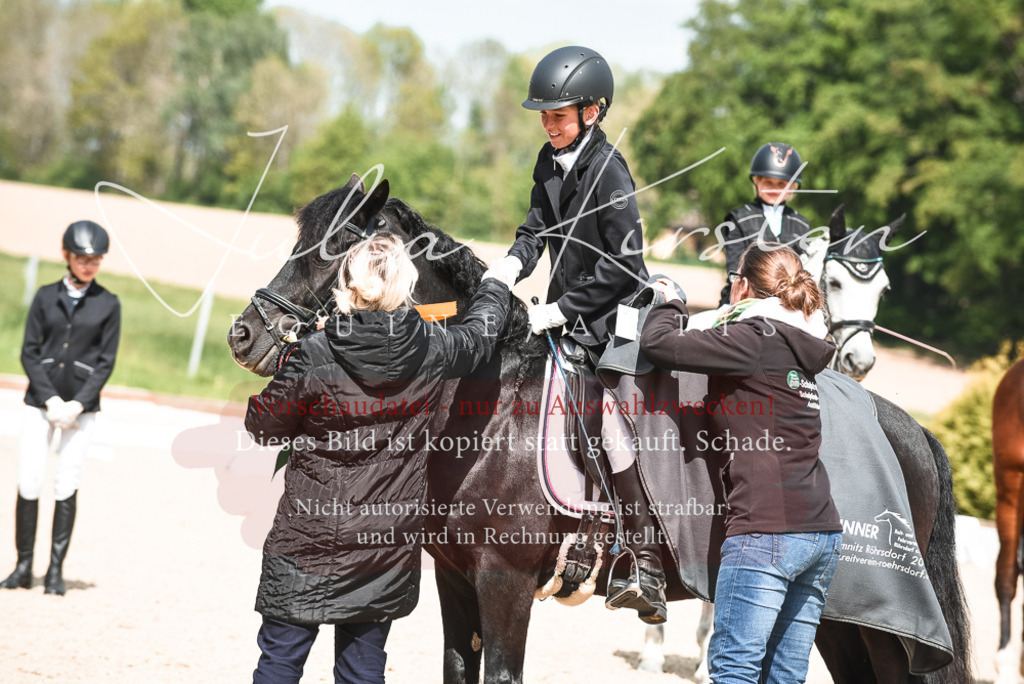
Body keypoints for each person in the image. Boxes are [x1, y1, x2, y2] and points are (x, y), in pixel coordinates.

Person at [245, 232, 511, 684]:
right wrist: (497, 284)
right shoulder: (432, 347)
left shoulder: (314, 353)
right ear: (405, 287)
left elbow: (263, 427)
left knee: (278, 667)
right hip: (383, 547)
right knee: (362, 673)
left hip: (305, 538)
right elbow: (481, 334)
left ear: (346, 284)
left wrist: (291, 358)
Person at [486, 46, 666, 623]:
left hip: (611, 320)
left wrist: (560, 309)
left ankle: (640, 556)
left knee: (600, 417)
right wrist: (511, 265)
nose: (549, 124)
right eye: (543, 115)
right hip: (564, 313)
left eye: (558, 115)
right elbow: (535, 227)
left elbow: (625, 266)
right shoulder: (550, 158)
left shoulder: (609, 170)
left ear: (593, 112)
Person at [640, 243, 843, 683]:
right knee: (785, 675)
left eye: (734, 279)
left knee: (734, 668)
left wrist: (669, 298)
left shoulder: (753, 337)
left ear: (743, 286)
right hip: (821, 533)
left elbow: (659, 344)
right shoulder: (799, 342)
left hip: (766, 532)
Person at [1, 220, 121, 596]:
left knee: (66, 481)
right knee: (30, 479)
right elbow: (29, 351)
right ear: (67, 256)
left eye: (96, 259)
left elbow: (106, 360)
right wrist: (50, 398)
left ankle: (55, 571)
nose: (89, 265)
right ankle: (22, 567)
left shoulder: (109, 303)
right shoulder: (44, 296)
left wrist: (78, 404)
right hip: (41, 401)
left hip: (81, 407)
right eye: (83, 258)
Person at [718, 142, 813, 306]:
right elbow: (734, 268)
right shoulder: (738, 218)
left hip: (789, 303)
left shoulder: (801, 223)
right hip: (744, 298)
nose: (774, 189)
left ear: (792, 187)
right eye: (768, 183)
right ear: (757, 181)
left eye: (781, 185)